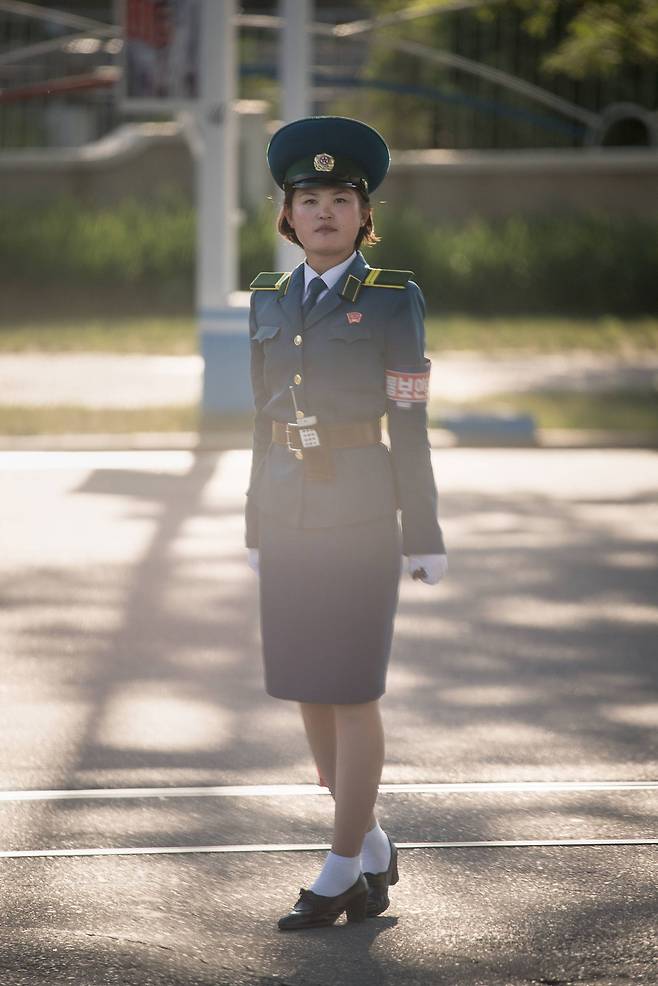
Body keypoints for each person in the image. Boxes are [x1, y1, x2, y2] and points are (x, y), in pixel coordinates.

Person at [245, 116, 448, 931]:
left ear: (365, 216)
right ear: (286, 216)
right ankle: (367, 846)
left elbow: (412, 423)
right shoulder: (269, 297)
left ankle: (339, 871)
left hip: (364, 512)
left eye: (340, 198)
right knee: (304, 685)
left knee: (353, 689)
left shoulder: (395, 298)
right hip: (288, 513)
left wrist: (422, 529)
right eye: (307, 198)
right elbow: (261, 425)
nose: (323, 211)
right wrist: (255, 524)